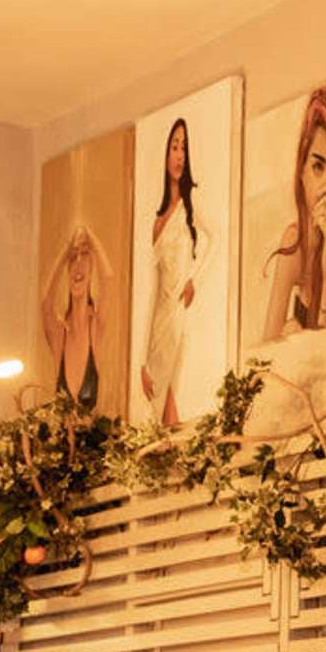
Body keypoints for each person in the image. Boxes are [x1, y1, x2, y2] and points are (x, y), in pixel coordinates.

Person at [256, 77, 326, 342]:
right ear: (302, 171)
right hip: (301, 371)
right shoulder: (294, 242)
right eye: (318, 166)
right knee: (291, 328)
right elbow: (266, 350)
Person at [140, 119, 200, 425]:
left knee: (171, 387)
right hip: (159, 318)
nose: (179, 155)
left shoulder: (190, 207)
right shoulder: (157, 219)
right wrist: (141, 360)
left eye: (184, 148)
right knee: (157, 397)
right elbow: (151, 291)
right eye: (175, 147)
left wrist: (193, 278)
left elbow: (213, 240)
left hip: (179, 309)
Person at [42, 224, 108, 409]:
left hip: (93, 437)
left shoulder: (95, 326)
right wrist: (64, 253)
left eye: (84, 256)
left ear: (91, 269)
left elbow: (108, 280)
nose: (78, 263)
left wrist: (92, 240)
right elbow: (46, 303)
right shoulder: (59, 334)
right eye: (73, 258)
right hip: (62, 435)